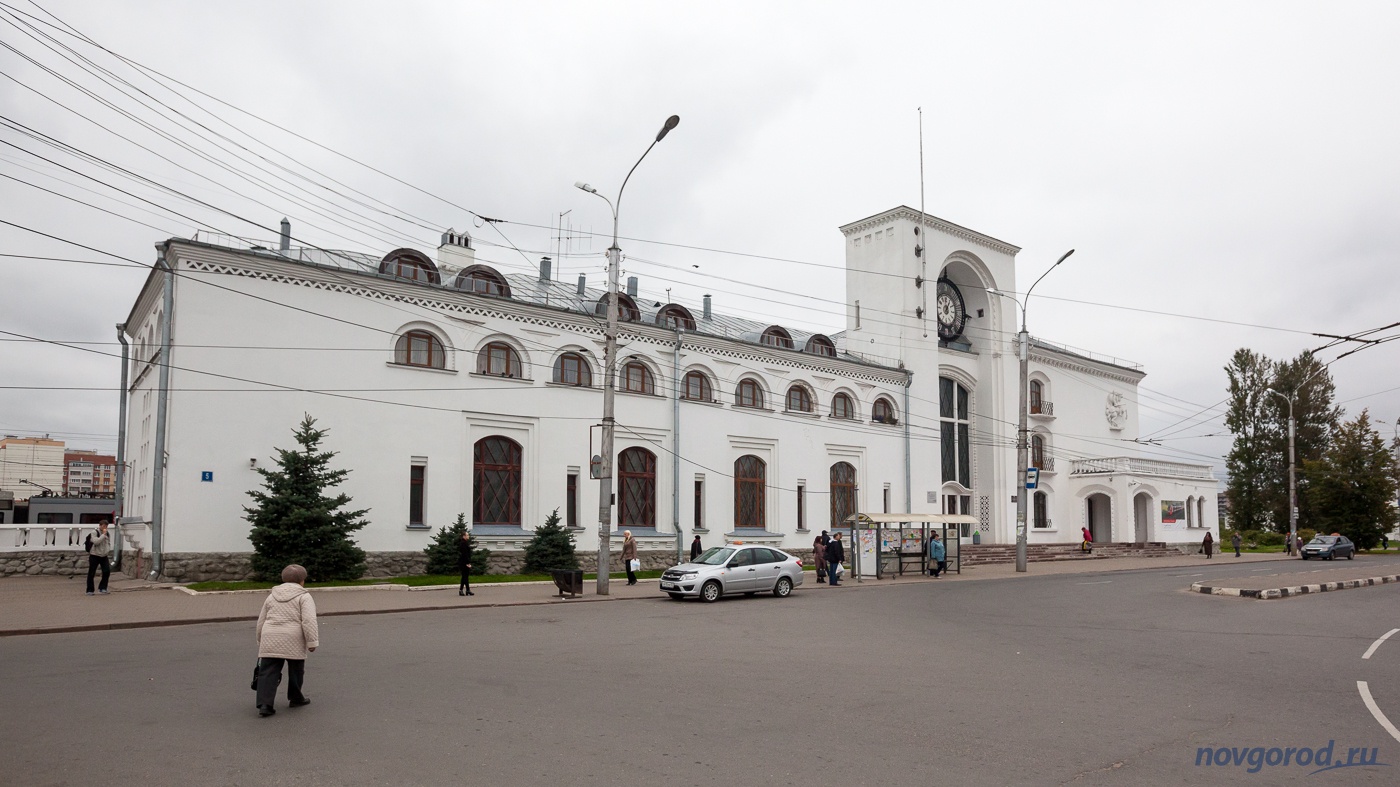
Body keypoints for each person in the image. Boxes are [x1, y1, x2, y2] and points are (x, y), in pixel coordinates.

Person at [255, 564, 318, 717]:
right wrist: (312, 642)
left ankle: (265, 704)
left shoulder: (271, 596)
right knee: (296, 669)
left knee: (268, 671)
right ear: (302, 580)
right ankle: (296, 698)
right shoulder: (304, 596)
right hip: (293, 637)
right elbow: (309, 620)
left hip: (270, 635)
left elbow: (261, 619)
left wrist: (260, 639)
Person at [85, 520, 112, 596]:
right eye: (103, 526)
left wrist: (107, 550)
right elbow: (96, 542)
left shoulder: (108, 533)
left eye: (106, 526)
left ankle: (103, 588)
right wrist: (103, 535)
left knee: (106, 571)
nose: (105, 527)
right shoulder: (94, 532)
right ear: (100, 525)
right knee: (92, 572)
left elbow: (107, 543)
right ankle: (90, 590)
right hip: (94, 555)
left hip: (103, 555)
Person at [457, 530, 475, 596]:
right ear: (464, 536)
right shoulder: (463, 544)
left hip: (464, 562)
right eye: (467, 535)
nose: (468, 536)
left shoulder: (465, 543)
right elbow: (465, 554)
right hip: (464, 562)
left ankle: (466, 590)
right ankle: (464, 590)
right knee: (465, 576)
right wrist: (468, 563)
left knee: (465, 576)